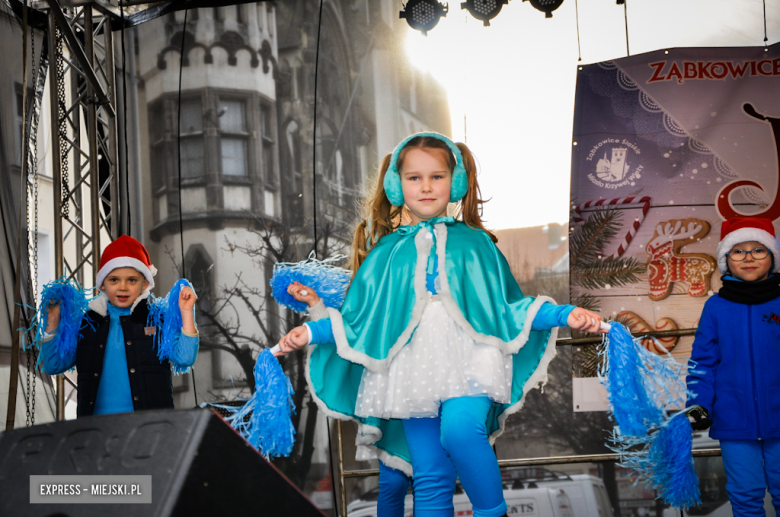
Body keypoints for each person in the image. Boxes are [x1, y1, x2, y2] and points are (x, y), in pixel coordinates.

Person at [276, 133, 604, 517]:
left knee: (462, 432)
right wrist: (311, 331)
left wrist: (565, 314)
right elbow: (360, 321)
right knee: (430, 474)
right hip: (410, 374)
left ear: (456, 183)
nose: (427, 187)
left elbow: (509, 308)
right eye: (414, 178)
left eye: (437, 176)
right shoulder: (385, 254)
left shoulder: (477, 245)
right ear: (397, 185)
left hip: (471, 364)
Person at [288, 281, 413, 517]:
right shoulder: (378, 281)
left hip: (428, 393)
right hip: (392, 406)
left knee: (432, 482)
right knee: (394, 484)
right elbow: (351, 332)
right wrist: (315, 307)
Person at [41, 235, 199, 417]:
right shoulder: (88, 323)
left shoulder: (157, 319)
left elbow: (185, 358)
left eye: (132, 280)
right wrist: (52, 320)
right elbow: (53, 365)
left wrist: (186, 313)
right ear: (102, 284)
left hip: (150, 428)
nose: (122, 287)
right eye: (114, 280)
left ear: (145, 283)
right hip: (97, 430)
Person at [685, 216, 780, 517]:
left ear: (772, 257)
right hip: (733, 420)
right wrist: (698, 405)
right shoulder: (716, 306)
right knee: (745, 496)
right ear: (726, 259)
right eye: (738, 251)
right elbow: (702, 362)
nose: (749, 257)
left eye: (758, 249)